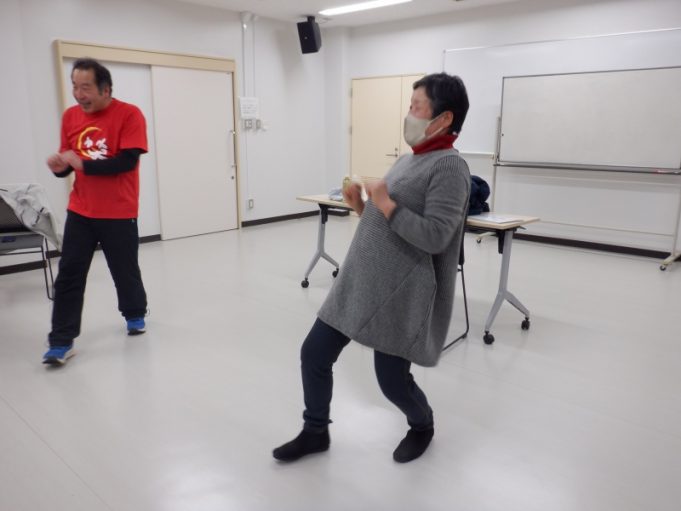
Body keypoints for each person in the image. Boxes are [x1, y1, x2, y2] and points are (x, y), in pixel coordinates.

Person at [273, 73, 471, 463]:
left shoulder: (450, 167)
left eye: (416, 107)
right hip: (360, 279)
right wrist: (361, 205)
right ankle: (315, 431)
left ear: (444, 118)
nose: (409, 114)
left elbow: (436, 237)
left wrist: (386, 203)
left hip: (400, 291)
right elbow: (384, 221)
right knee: (314, 353)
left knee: (392, 381)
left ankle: (422, 424)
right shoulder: (409, 159)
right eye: (410, 106)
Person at [43, 58, 149, 366]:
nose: (79, 94)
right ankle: (61, 341)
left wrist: (82, 164)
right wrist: (60, 168)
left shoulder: (129, 114)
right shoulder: (71, 116)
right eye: (75, 86)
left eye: (86, 87)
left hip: (119, 210)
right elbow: (69, 164)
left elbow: (127, 161)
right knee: (69, 274)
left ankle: (134, 312)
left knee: (124, 270)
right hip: (81, 210)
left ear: (105, 89)